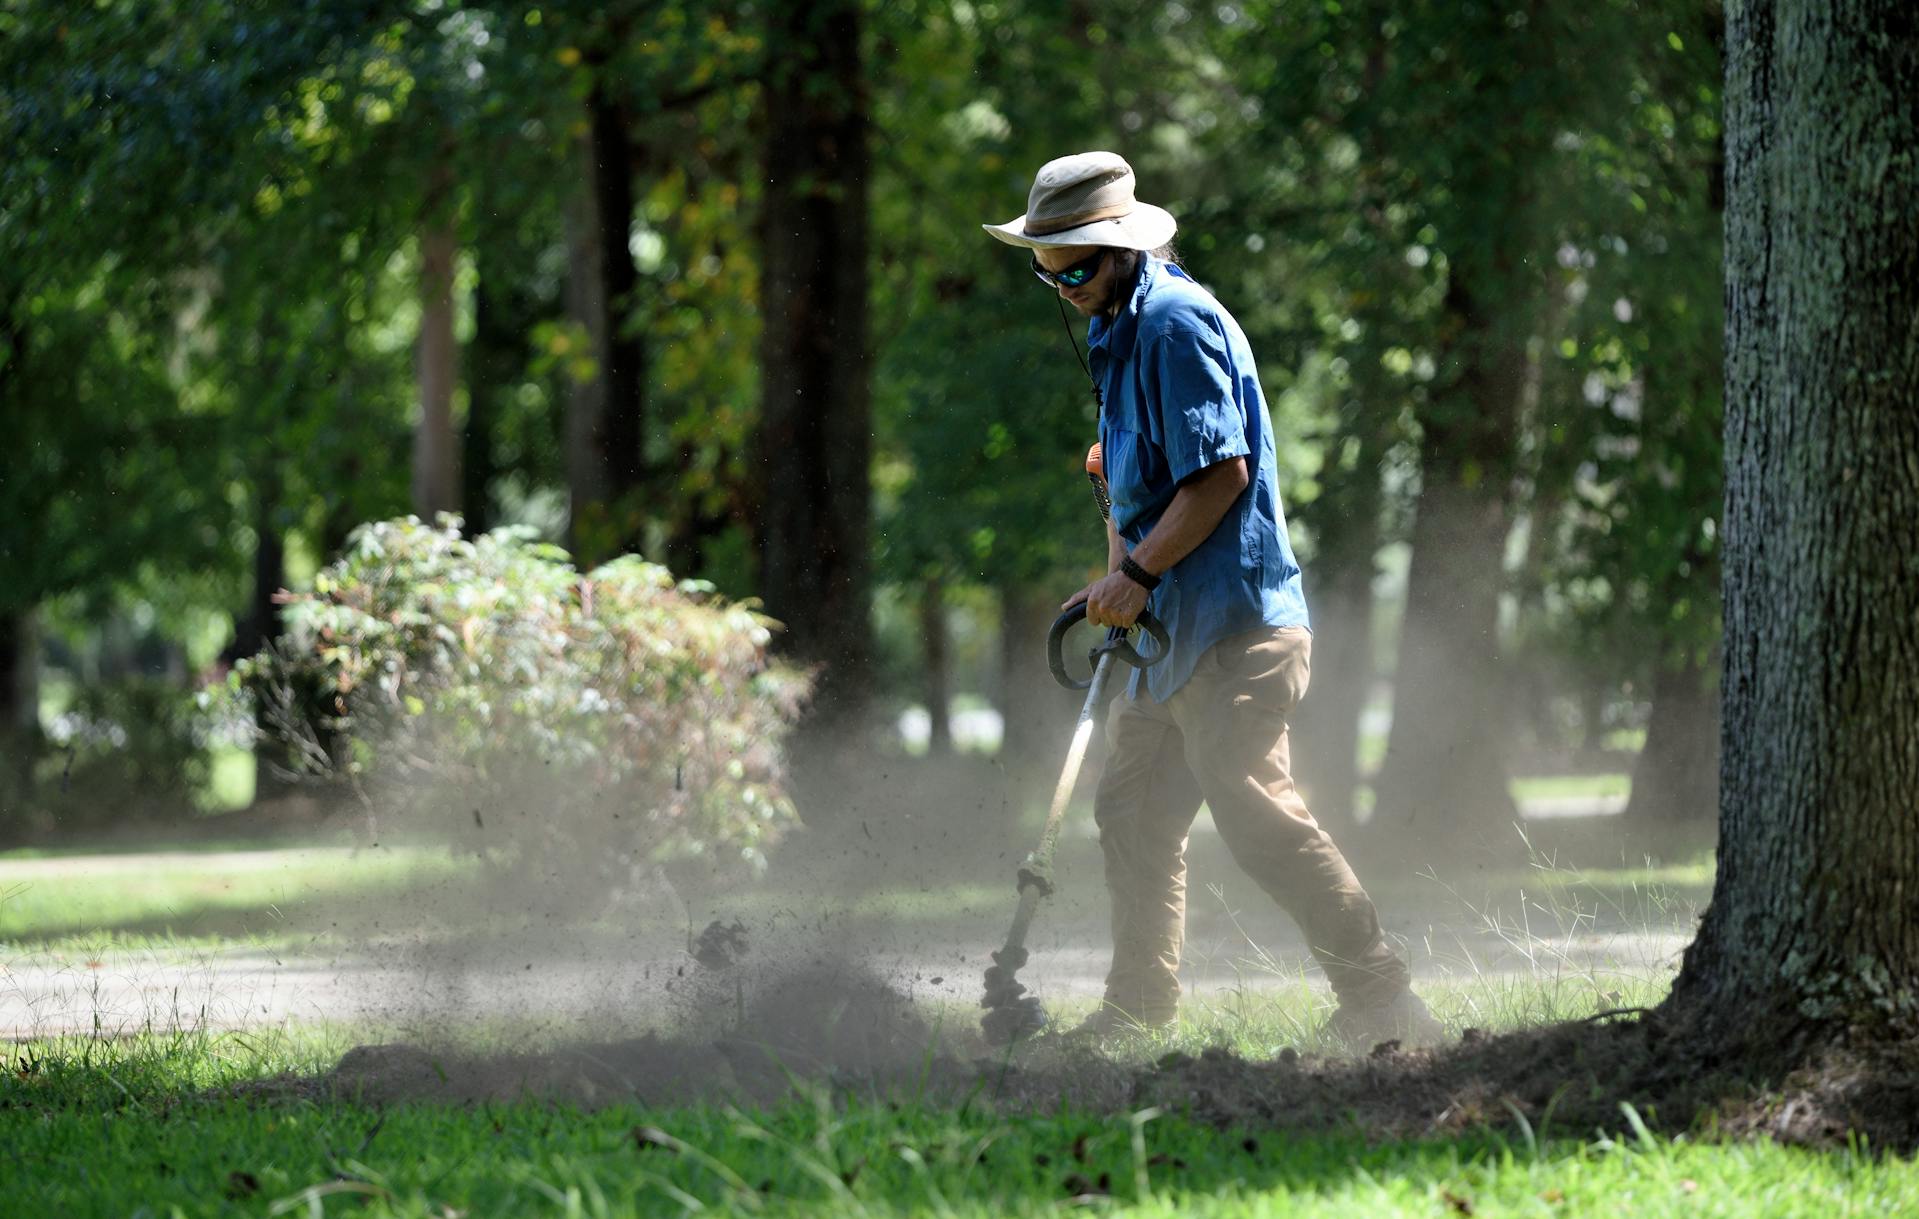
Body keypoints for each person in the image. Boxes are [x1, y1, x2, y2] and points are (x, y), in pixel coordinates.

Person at [983, 151, 1442, 1048]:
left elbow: (1220, 475)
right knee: (1132, 814)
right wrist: (1116, 568)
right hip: (1167, 639)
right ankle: (1135, 1010)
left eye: (1077, 264)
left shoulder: (1172, 325)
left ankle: (1383, 1000)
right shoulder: (1116, 335)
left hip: (1236, 628)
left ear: (1121, 247)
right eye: (1048, 269)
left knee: (1249, 803)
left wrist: (1139, 574)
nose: (1064, 283)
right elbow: (1136, 489)